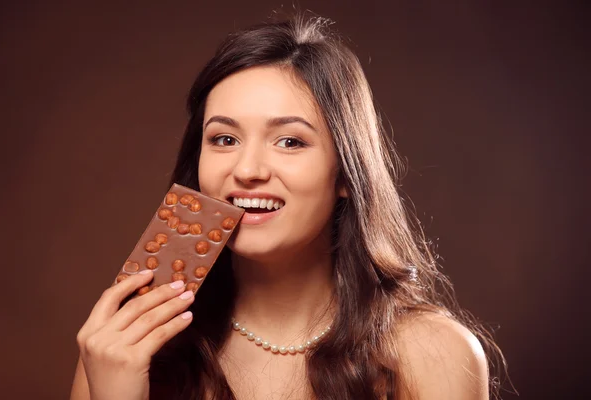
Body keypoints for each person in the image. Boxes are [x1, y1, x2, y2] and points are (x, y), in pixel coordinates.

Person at [71, 14, 504, 400]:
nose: (248, 169)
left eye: (290, 141)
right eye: (224, 139)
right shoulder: (125, 345)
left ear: (346, 176)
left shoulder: (434, 354)